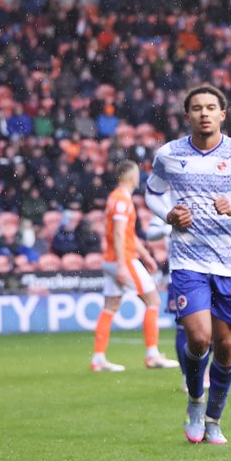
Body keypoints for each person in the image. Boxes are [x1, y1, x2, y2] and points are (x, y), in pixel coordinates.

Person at [145, 85, 231, 445]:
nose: (204, 113)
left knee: (226, 347)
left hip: (230, 263)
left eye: (211, 107)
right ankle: (196, 401)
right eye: (197, 108)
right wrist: (167, 214)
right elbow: (152, 193)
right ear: (187, 115)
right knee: (199, 338)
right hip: (187, 260)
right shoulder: (169, 155)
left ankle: (214, 418)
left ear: (222, 114)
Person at [91, 160, 180, 373]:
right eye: (137, 174)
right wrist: (123, 264)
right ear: (130, 177)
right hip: (122, 260)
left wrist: (146, 256)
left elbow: (128, 234)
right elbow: (120, 233)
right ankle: (152, 355)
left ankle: (98, 359)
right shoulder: (123, 200)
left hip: (112, 259)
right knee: (153, 300)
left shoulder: (115, 198)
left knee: (110, 306)